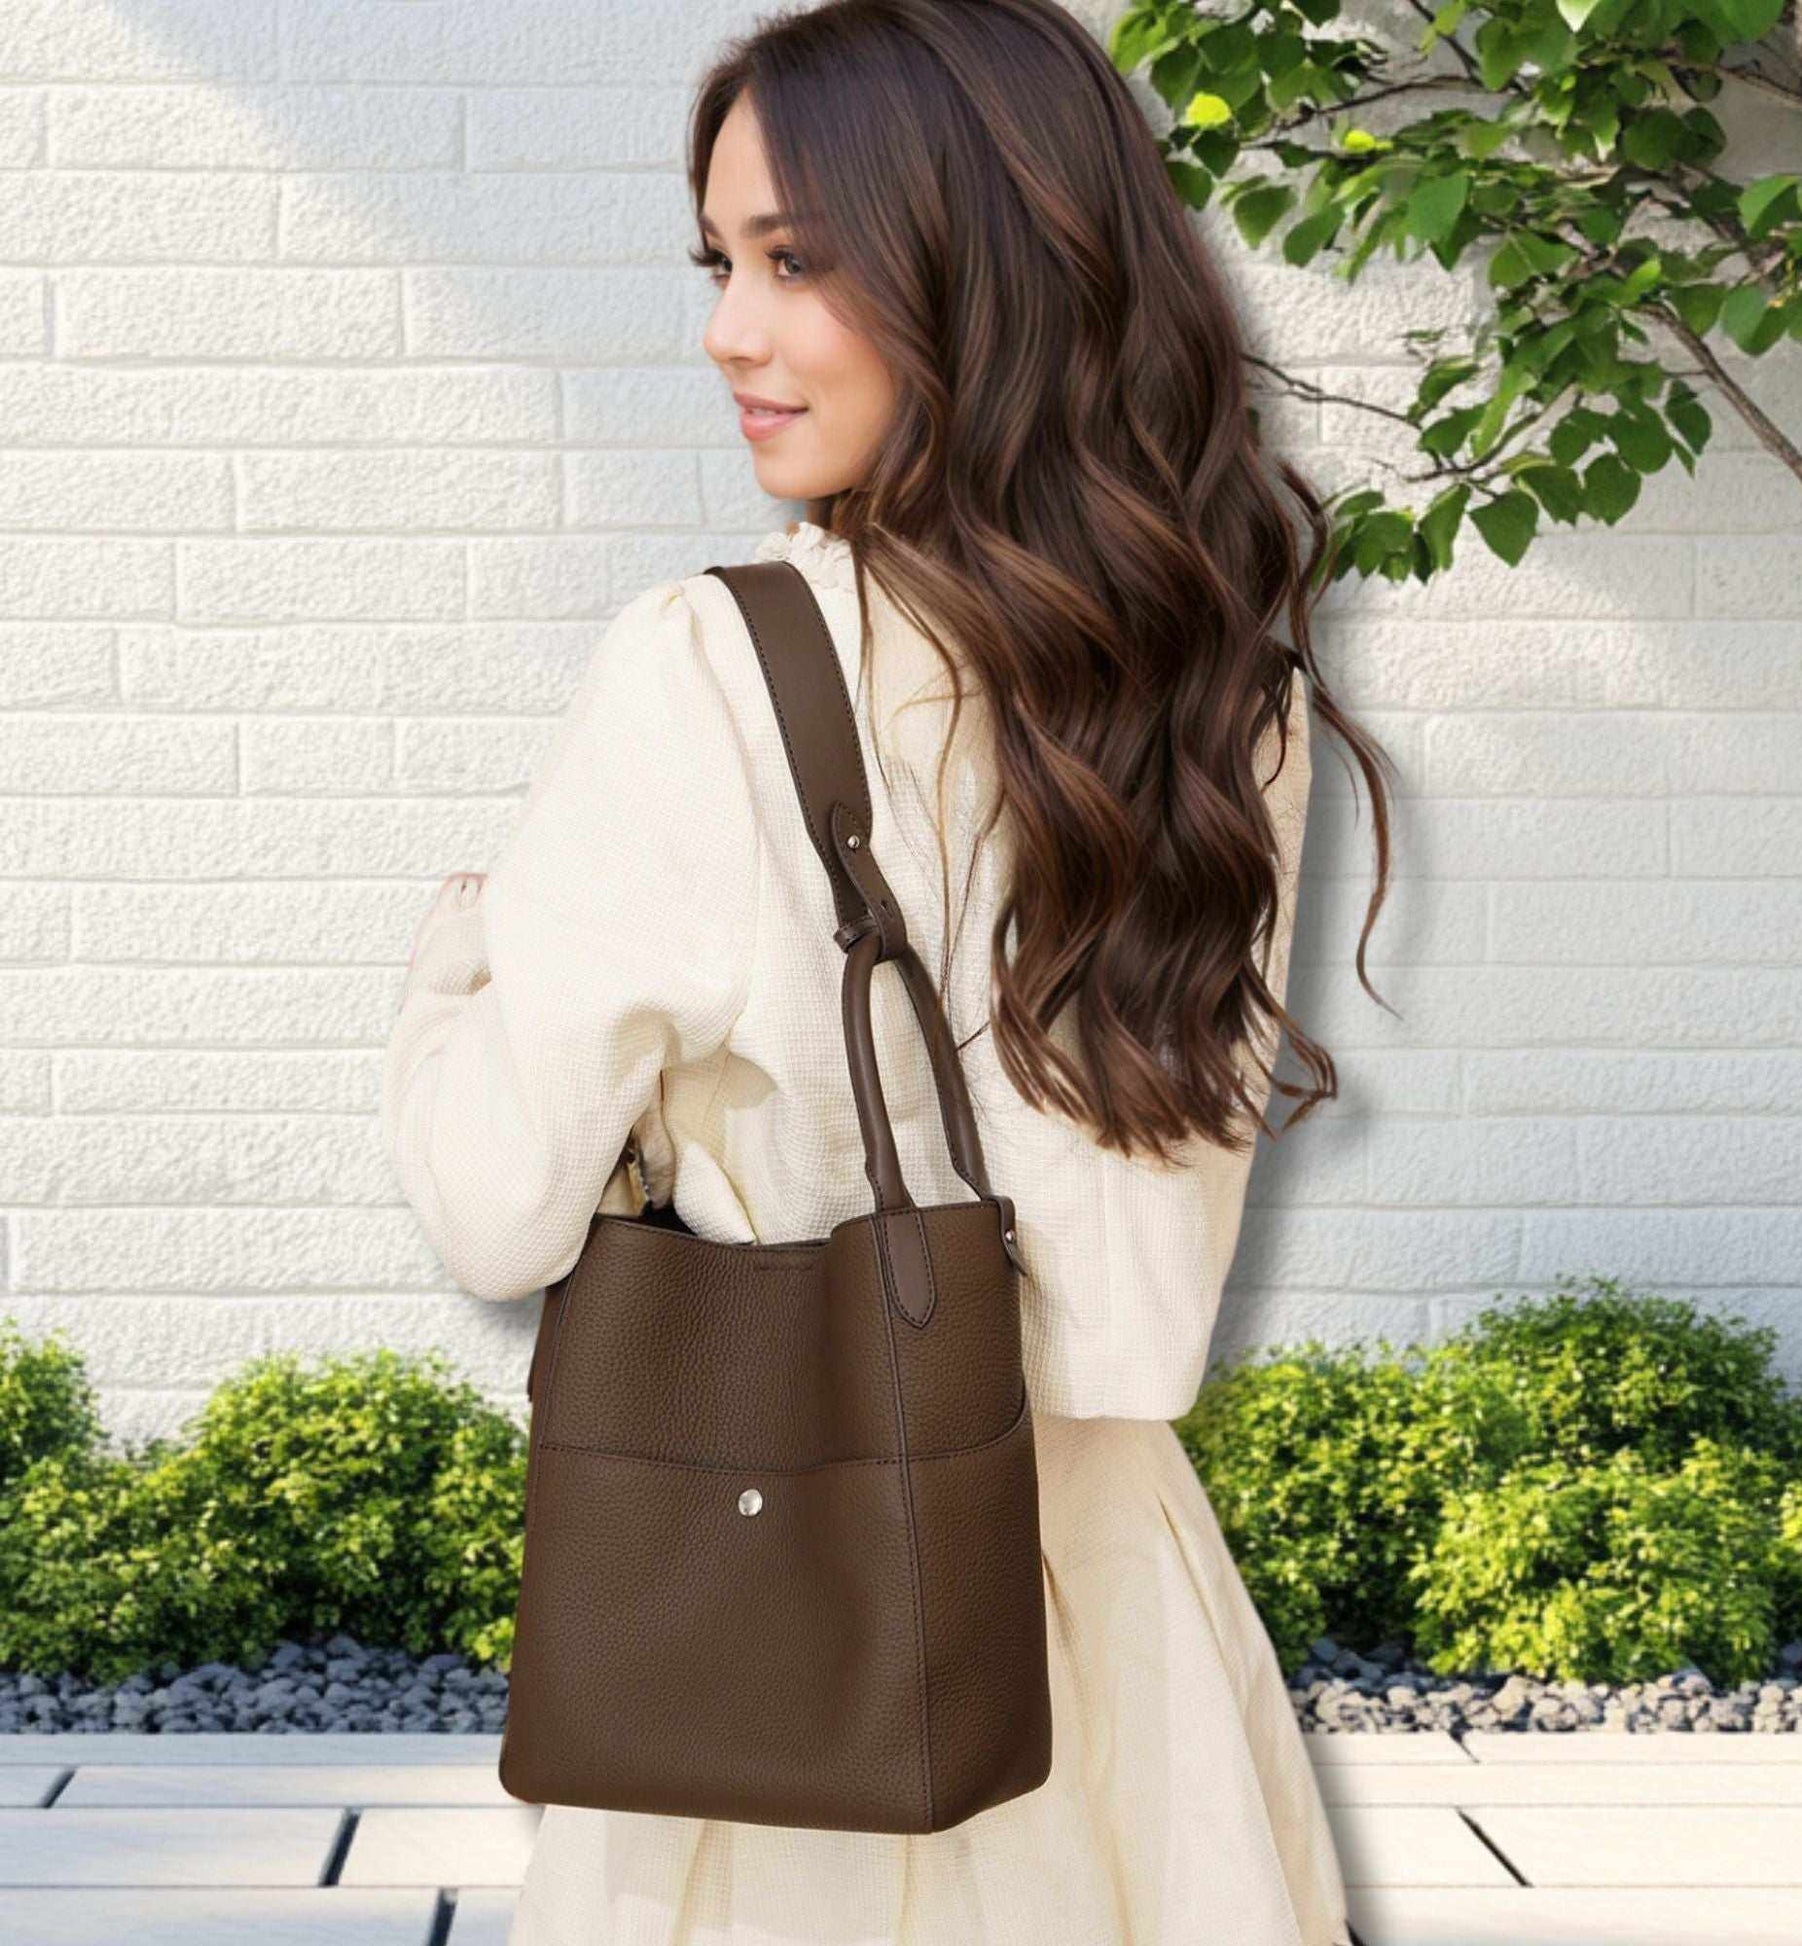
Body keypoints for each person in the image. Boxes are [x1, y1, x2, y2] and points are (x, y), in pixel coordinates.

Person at [384, 2, 1394, 1940]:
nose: (726, 333)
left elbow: (498, 1206)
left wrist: (459, 963)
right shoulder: (1215, 697)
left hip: (800, 1658)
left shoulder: (713, 666)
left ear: (977, 271)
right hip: (1123, 1666)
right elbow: (1129, 1314)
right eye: (719, 264)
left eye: (793, 262)